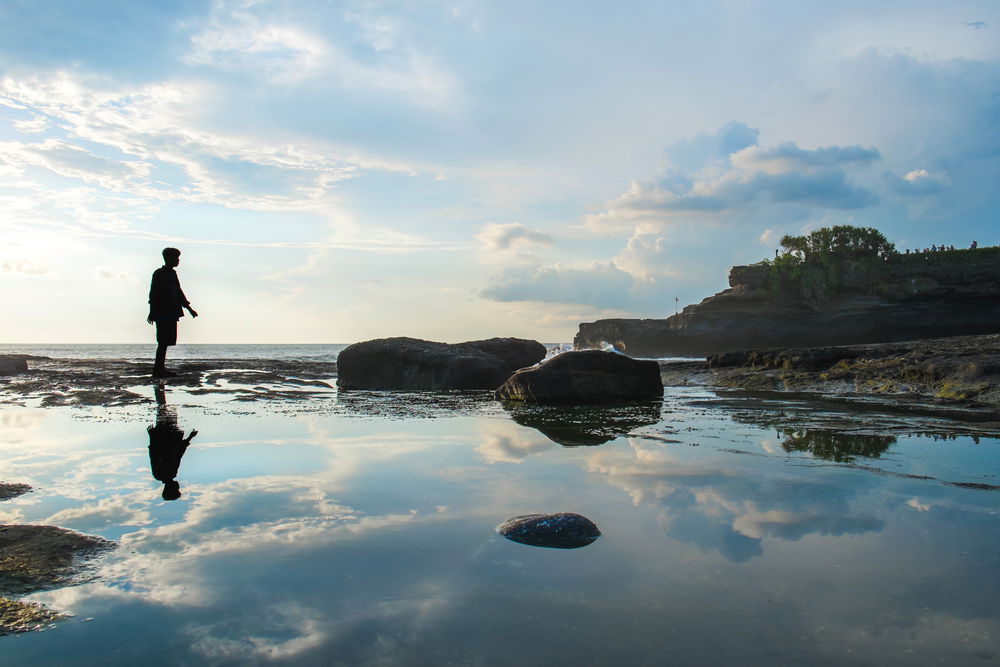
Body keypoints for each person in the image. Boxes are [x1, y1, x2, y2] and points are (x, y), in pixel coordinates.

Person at [148, 247, 198, 378]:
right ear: (169, 258)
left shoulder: (172, 274)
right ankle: (158, 369)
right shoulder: (159, 273)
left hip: (171, 311)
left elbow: (179, 292)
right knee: (162, 342)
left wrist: (189, 309)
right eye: (176, 258)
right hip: (162, 312)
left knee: (166, 341)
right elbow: (153, 293)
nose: (178, 260)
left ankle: (160, 368)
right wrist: (152, 312)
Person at [147, 385, 197, 500]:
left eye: (177, 490)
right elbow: (179, 453)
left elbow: (154, 453)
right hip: (170, 436)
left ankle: (159, 387)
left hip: (164, 436)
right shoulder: (171, 473)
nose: (178, 487)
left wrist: (152, 436)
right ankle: (160, 388)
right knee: (165, 409)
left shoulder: (160, 474)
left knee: (162, 409)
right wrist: (189, 438)